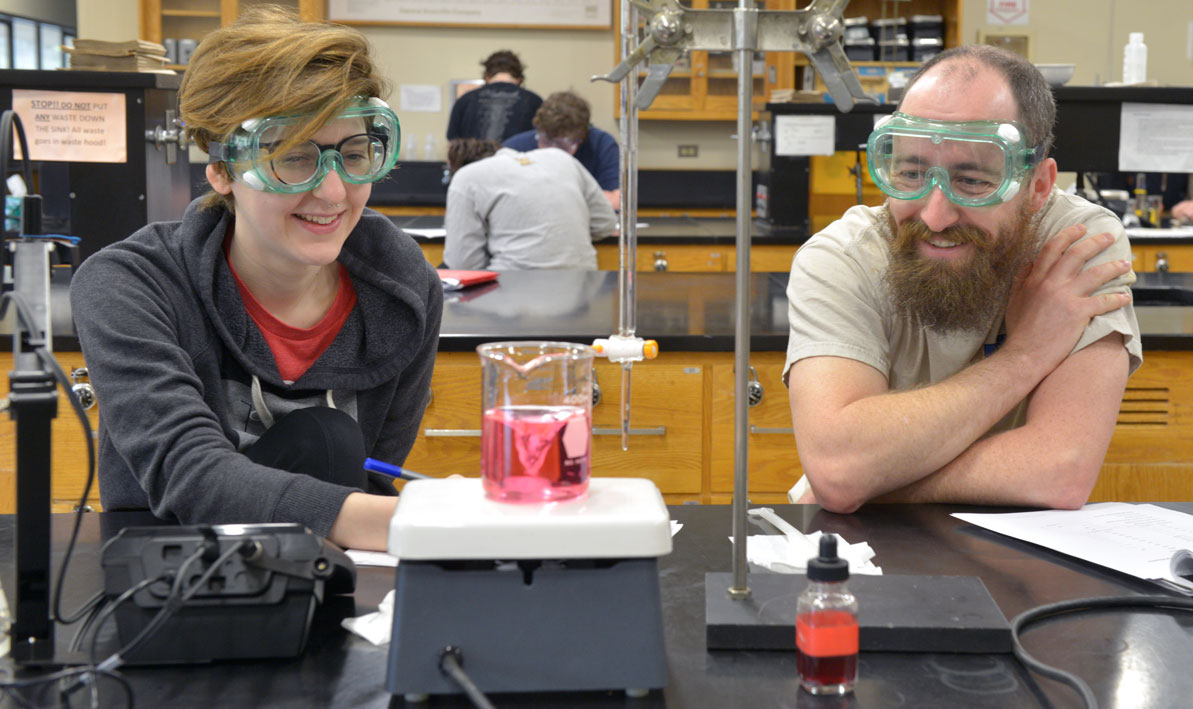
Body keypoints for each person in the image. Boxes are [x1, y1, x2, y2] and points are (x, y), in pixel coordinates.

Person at [69, 7, 442, 552]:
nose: (334, 193)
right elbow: (189, 473)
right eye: (294, 159)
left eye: (355, 155)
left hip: (325, 575)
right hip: (167, 576)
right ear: (220, 170)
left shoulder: (401, 290)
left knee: (334, 443)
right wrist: (433, 520)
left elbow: (373, 475)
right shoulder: (132, 284)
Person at [783, 44, 1140, 513]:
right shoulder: (841, 259)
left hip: (1020, 556)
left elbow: (1060, 470)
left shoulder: (1076, 246)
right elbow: (840, 468)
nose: (934, 215)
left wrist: (874, 480)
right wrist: (1026, 355)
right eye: (911, 173)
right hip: (862, 550)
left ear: (1038, 186)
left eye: (972, 182)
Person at [442, 138, 616, 270]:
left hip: (511, 293)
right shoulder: (561, 158)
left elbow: (463, 263)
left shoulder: (466, 177)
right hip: (583, 287)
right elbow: (606, 224)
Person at [502, 91, 620, 211]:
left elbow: (616, 200)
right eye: (546, 141)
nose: (553, 151)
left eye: (562, 144)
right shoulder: (514, 148)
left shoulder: (601, 145)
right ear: (538, 131)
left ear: (582, 137)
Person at [445, 50, 542, 143]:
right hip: (516, 159)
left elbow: (453, 140)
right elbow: (543, 140)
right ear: (520, 79)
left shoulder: (465, 101)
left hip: (474, 159)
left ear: (486, 76)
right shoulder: (534, 101)